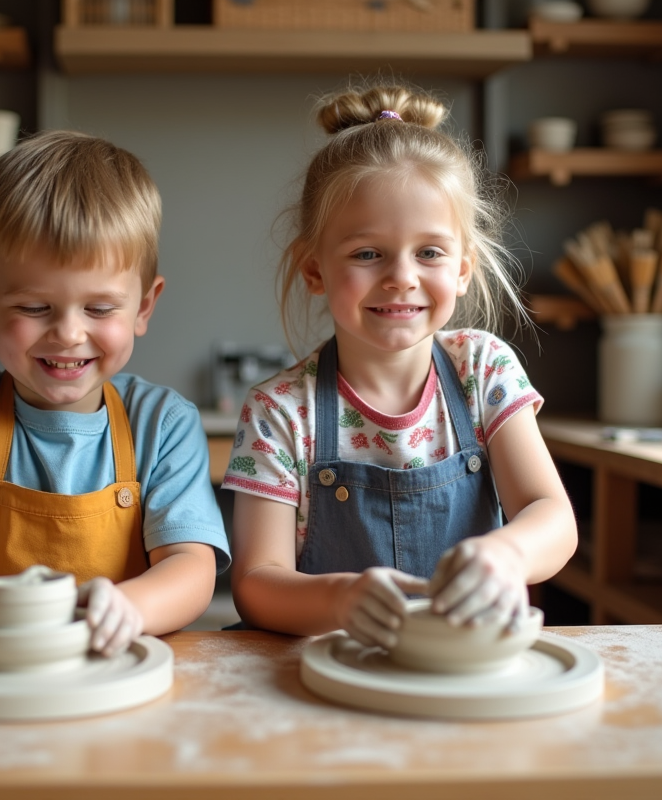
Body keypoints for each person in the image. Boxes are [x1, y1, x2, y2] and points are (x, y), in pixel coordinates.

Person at [222, 82, 576, 649]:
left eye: (430, 252)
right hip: (332, 669)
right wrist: (339, 599)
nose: (402, 277)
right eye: (367, 253)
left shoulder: (483, 370)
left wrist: (509, 552)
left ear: (463, 268)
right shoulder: (279, 412)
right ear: (314, 269)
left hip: (465, 664)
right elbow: (256, 584)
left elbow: (552, 515)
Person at [0, 130, 230, 657]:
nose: (69, 334)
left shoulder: (162, 423)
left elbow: (191, 567)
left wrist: (131, 609)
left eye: (99, 309)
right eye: (34, 308)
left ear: (144, 307)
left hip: (105, 675)